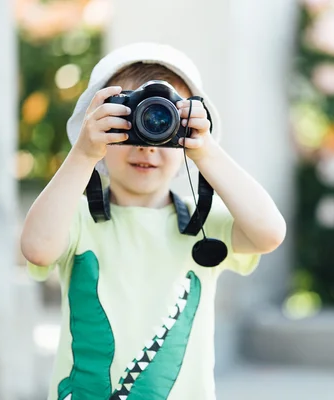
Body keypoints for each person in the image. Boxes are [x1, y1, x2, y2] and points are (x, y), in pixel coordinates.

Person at [20, 42, 286, 400]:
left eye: (165, 122)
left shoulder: (202, 224)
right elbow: (36, 248)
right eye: (128, 122)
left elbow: (269, 233)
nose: (147, 145)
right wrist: (83, 154)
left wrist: (206, 151)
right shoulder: (76, 217)